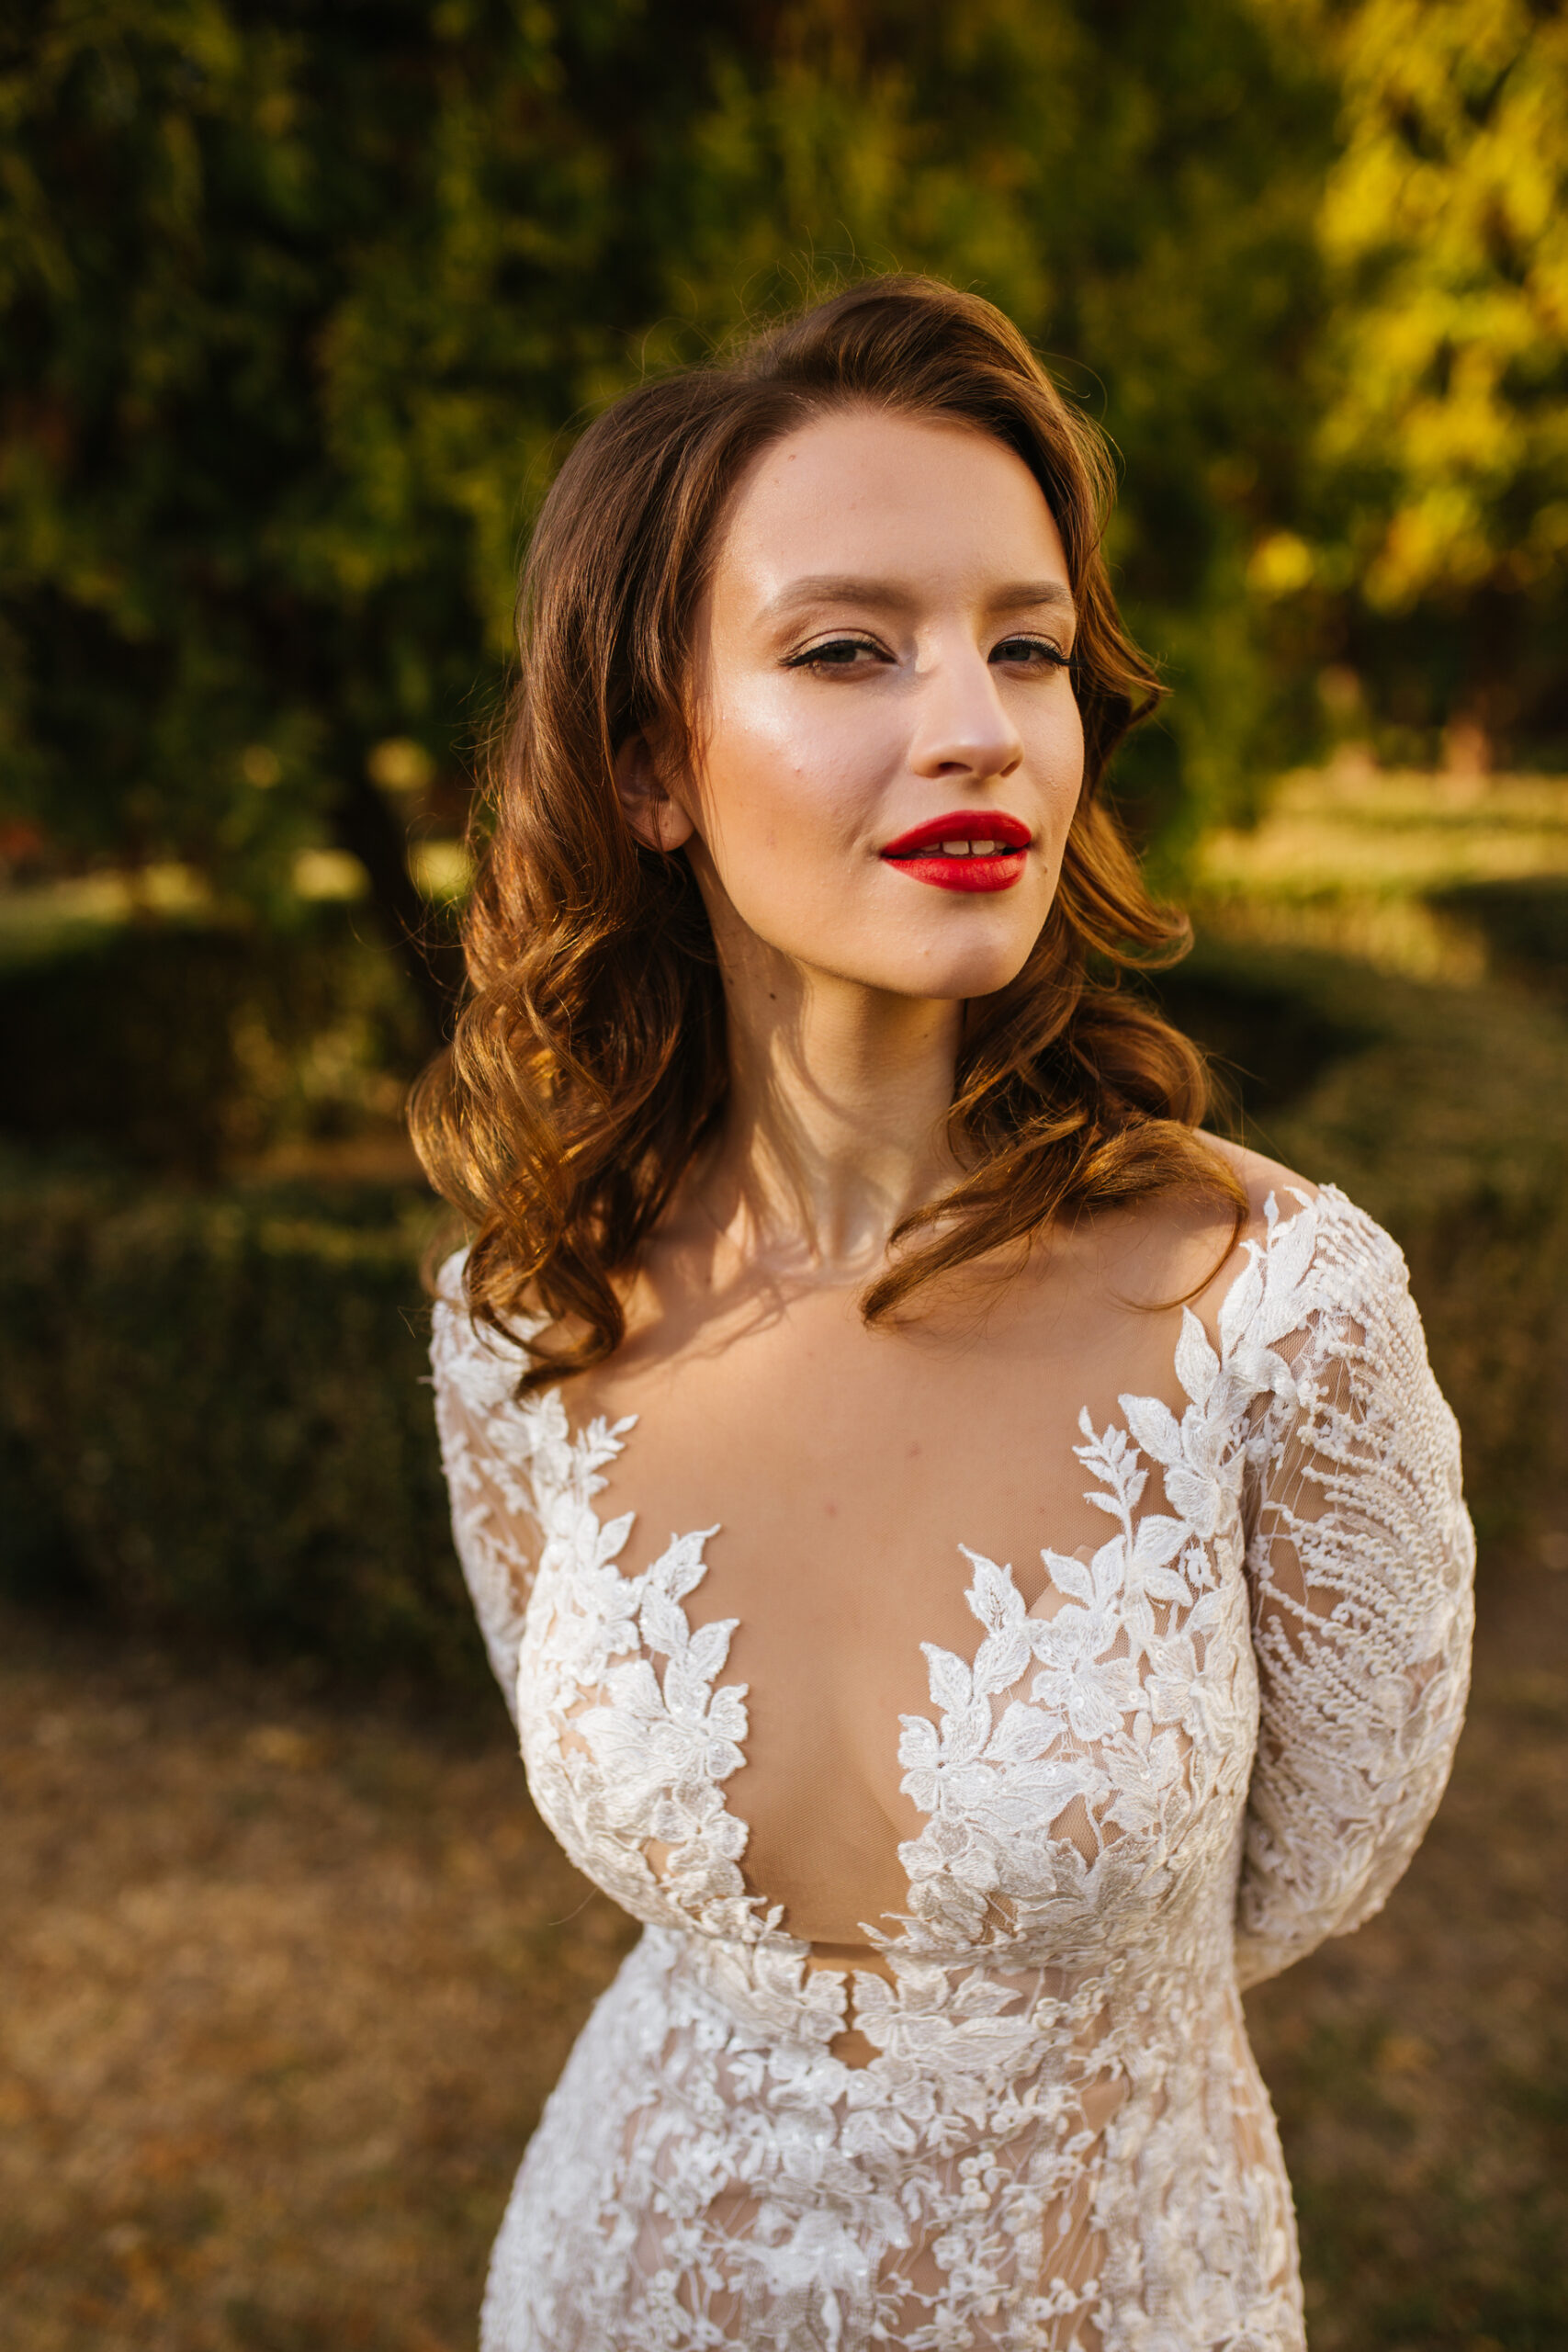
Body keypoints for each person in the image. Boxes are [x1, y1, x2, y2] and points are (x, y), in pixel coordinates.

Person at [411, 277, 1474, 2352]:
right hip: (607, 2282)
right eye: (844, 648)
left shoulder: (1274, 1314)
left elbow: (1315, 1867)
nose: (977, 719)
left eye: (1025, 645)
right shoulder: (520, 1315)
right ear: (648, 759)